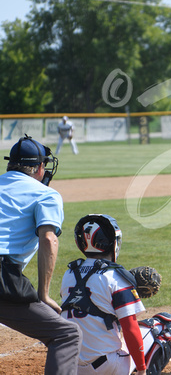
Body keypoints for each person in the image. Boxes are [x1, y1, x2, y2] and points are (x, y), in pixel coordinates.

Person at [0, 134, 82, 374]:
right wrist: (43, 294)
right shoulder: (46, 194)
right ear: (38, 167)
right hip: (2, 276)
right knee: (66, 334)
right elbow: (48, 238)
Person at [60, 214, 171, 375]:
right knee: (165, 325)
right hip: (109, 367)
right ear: (112, 243)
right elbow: (130, 329)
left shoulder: (69, 273)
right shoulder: (116, 277)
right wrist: (142, 370)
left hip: (71, 366)